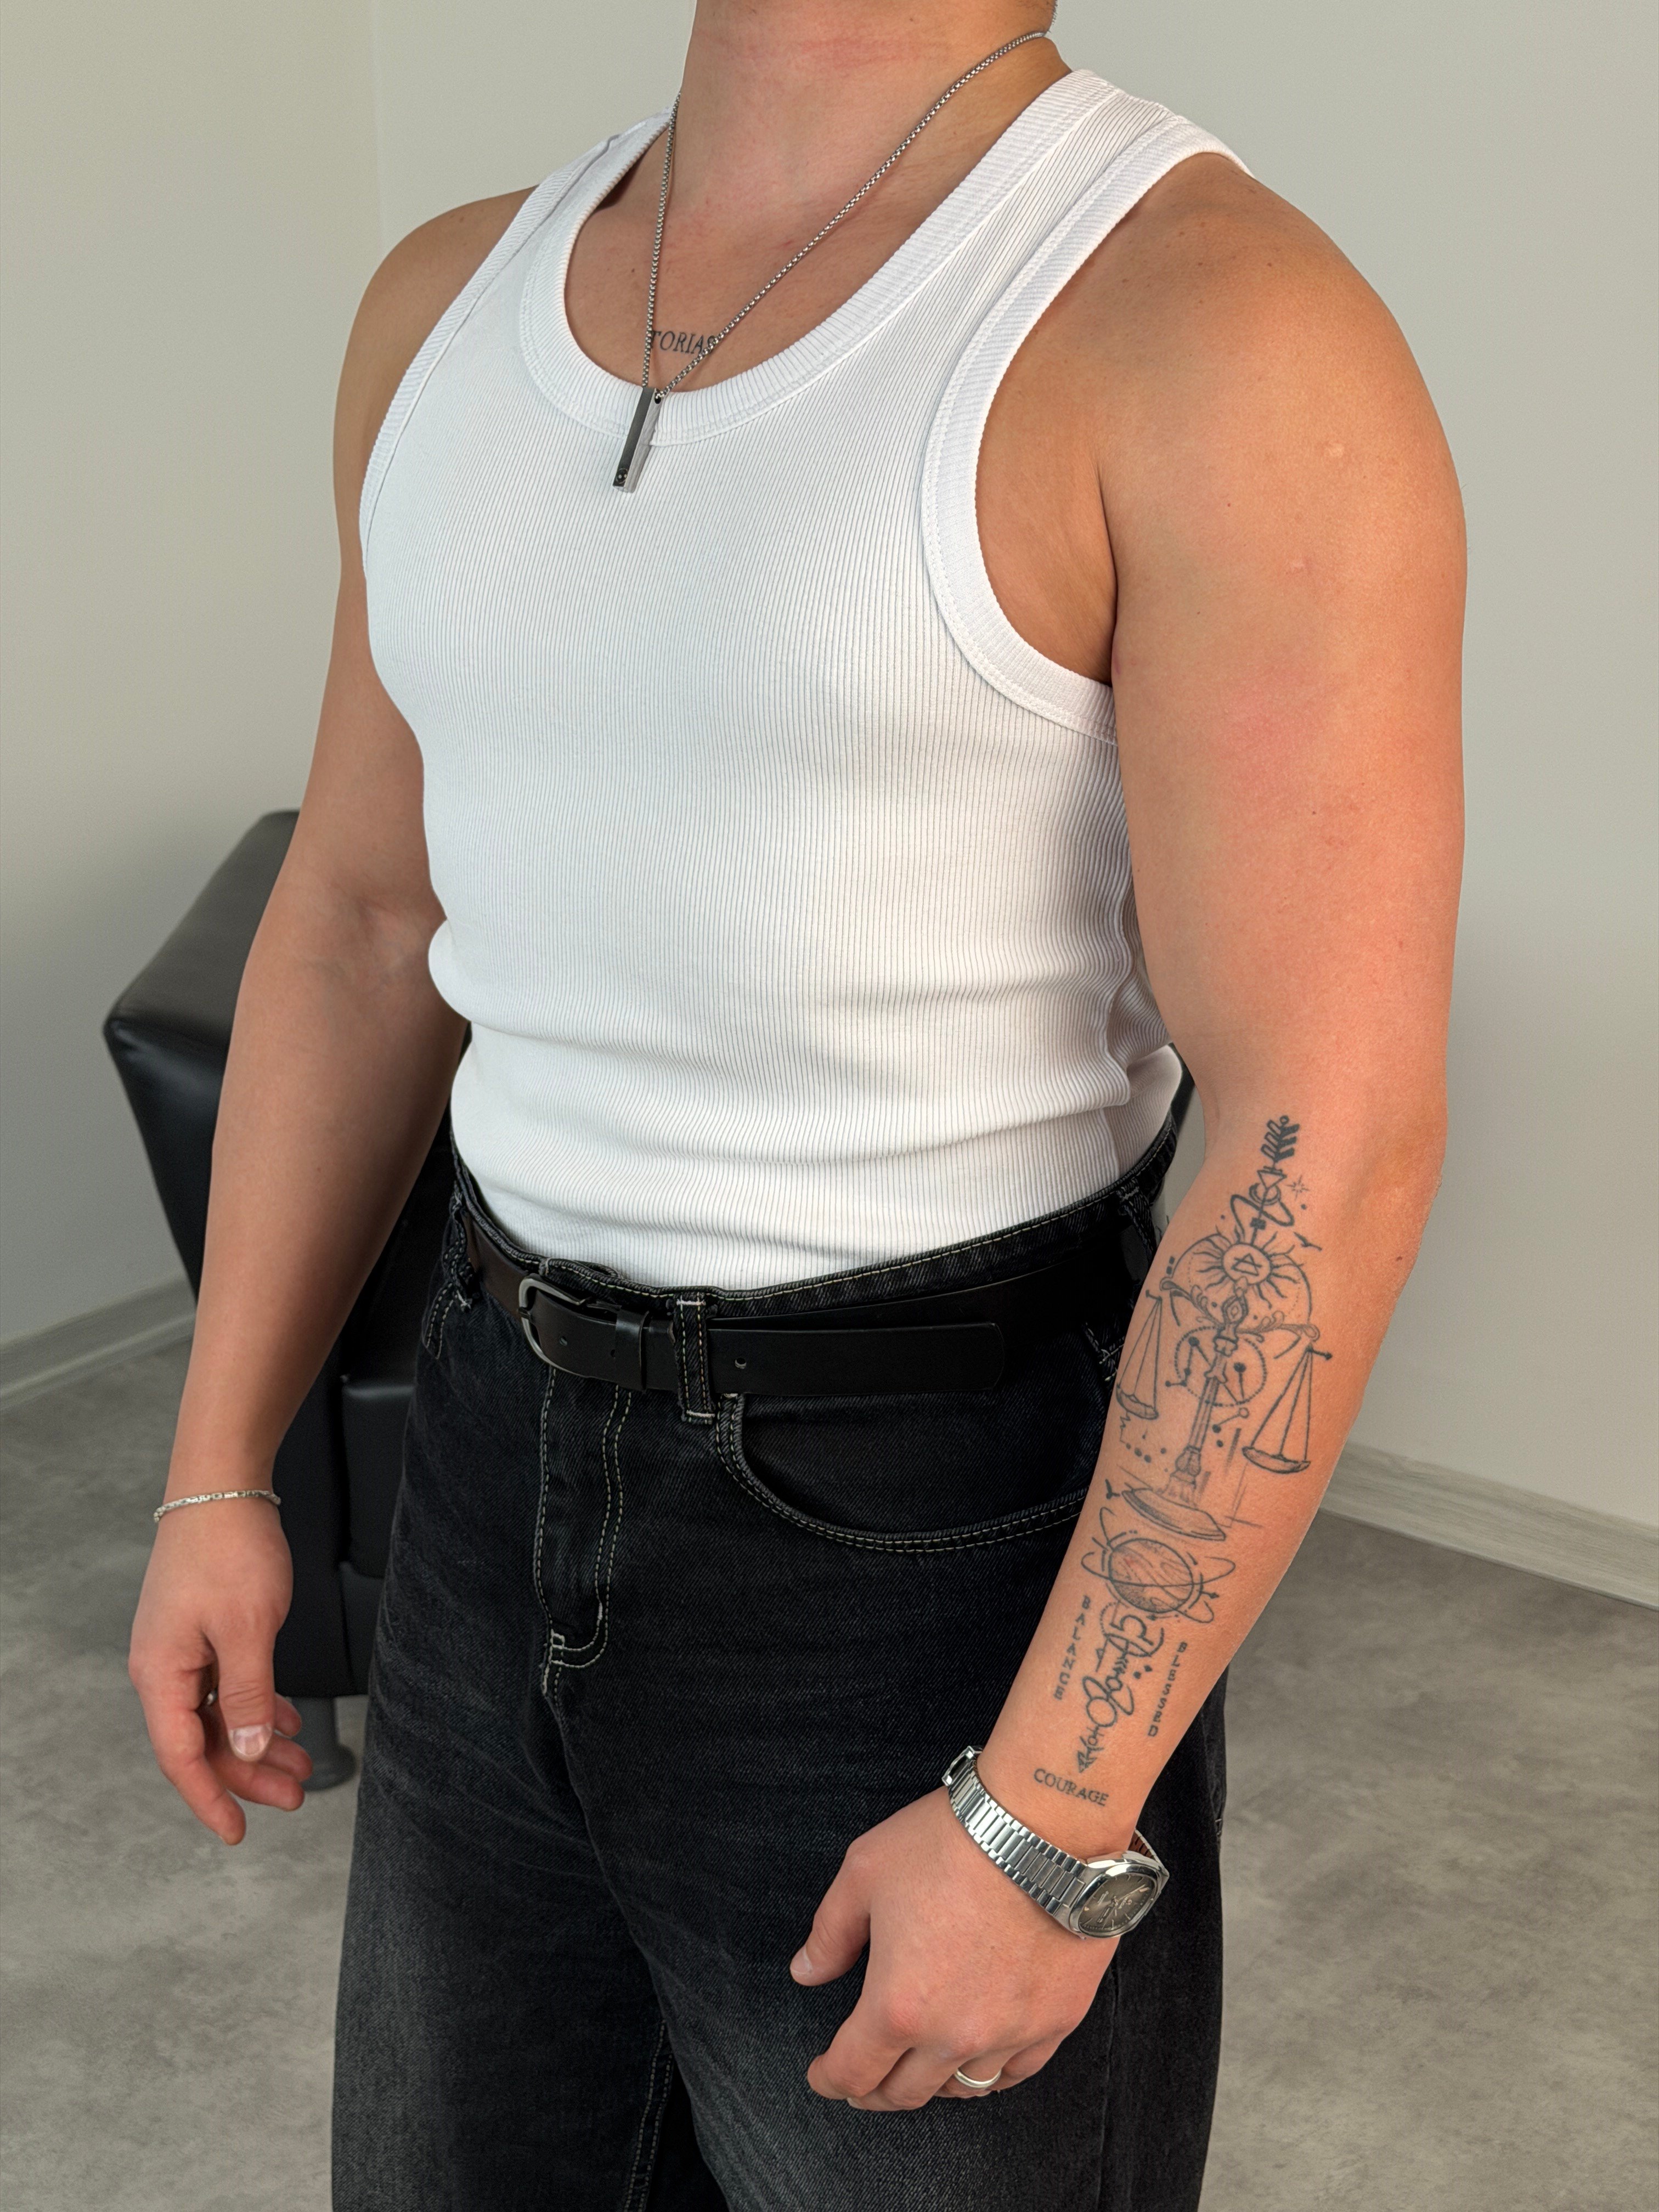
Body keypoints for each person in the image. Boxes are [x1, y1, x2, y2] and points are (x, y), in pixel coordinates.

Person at [127, 3, 1464, 2206]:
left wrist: (1051, 1815)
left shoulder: (1209, 328)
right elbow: (364, 917)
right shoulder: (442, 302)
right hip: (486, 1436)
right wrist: (217, 1469)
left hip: (918, 1522)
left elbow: (1322, 1125)